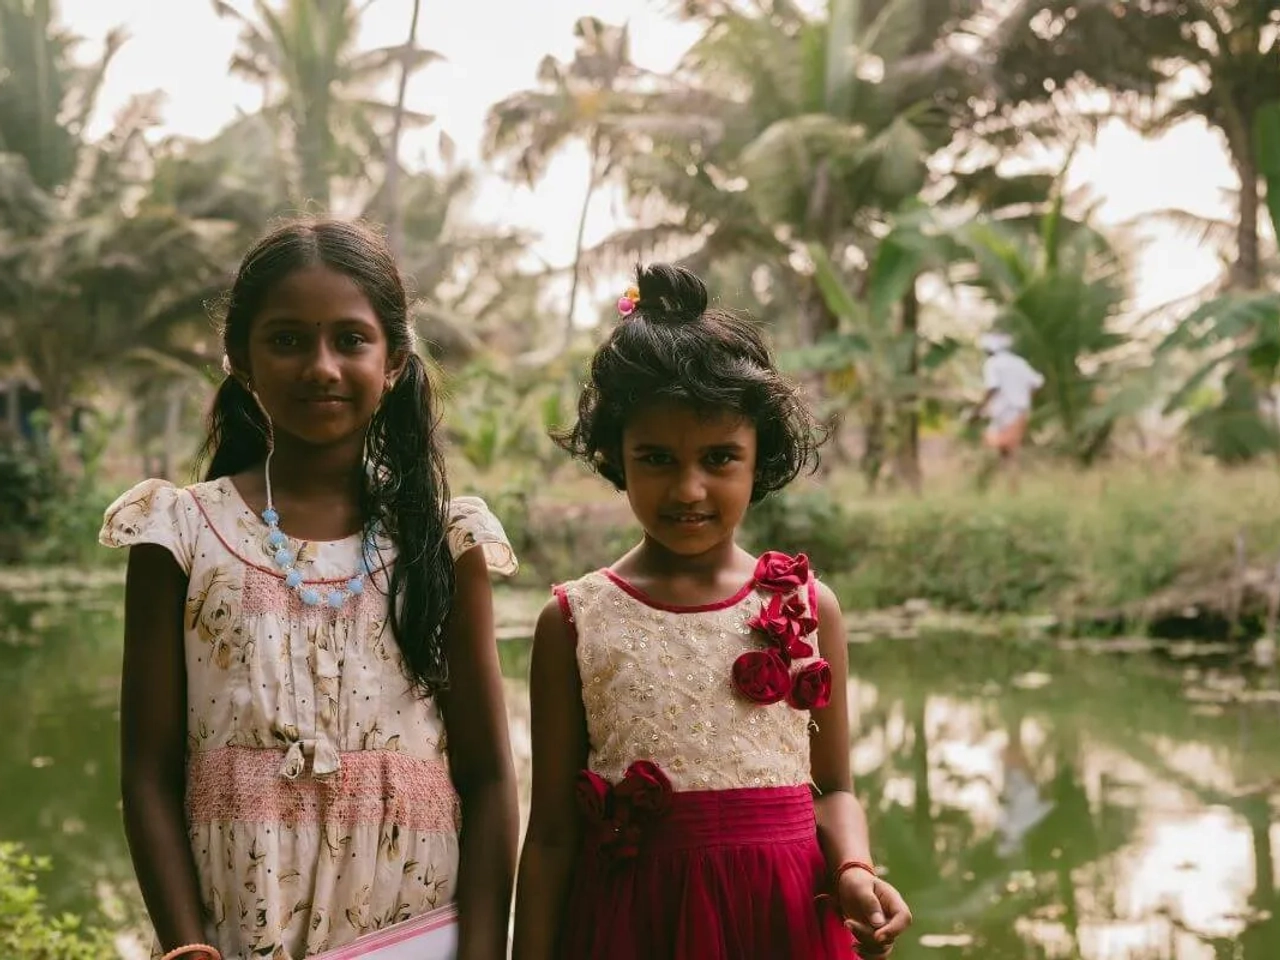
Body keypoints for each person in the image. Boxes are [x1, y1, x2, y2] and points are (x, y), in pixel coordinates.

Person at [99, 218, 520, 960]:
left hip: (416, 937)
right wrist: (187, 947)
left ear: (393, 361)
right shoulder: (181, 534)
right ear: (241, 360)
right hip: (239, 938)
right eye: (288, 339)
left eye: (350, 340)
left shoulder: (443, 541)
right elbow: (148, 773)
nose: (320, 367)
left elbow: (488, 779)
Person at [512, 264, 913, 960]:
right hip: (635, 927)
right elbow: (550, 834)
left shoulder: (806, 606)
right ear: (616, 457)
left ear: (760, 459)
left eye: (720, 457)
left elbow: (834, 789)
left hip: (783, 920)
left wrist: (854, 869)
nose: (689, 488)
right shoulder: (574, 621)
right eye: (657, 458)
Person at [978, 332, 1043, 467]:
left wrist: (981, 407)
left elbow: (992, 387)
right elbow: (1036, 383)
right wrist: (1025, 398)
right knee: (1011, 444)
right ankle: (1008, 471)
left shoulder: (993, 363)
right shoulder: (1019, 362)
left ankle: (1006, 470)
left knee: (999, 441)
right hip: (1020, 409)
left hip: (1003, 409)